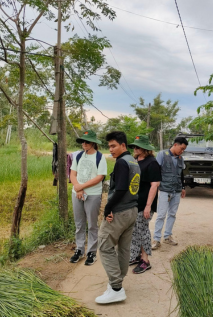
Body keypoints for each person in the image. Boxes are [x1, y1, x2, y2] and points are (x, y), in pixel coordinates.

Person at [95, 131, 141, 304]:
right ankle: (118, 283)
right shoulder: (133, 162)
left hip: (120, 211)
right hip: (132, 210)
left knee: (104, 245)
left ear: (123, 145)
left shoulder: (122, 163)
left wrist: (108, 208)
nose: (111, 150)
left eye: (113, 146)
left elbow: (120, 189)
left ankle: (115, 288)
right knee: (123, 248)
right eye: (109, 146)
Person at [69, 130, 107, 266]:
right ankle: (79, 249)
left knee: (92, 224)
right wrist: (77, 187)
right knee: (79, 224)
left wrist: (82, 187)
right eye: (83, 141)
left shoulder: (99, 157)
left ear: (93, 143)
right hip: (77, 193)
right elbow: (72, 174)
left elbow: (100, 177)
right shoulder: (78, 156)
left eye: (87, 142)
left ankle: (91, 251)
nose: (84, 144)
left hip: (93, 194)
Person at [128, 135, 161, 274]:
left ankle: (145, 260)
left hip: (145, 203)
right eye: (134, 146)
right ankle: (136, 255)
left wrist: (148, 205)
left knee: (143, 231)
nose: (135, 149)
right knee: (135, 230)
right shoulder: (135, 161)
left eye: (137, 147)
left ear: (145, 149)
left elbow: (155, 185)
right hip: (135, 202)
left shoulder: (152, 163)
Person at [152, 136, 188, 250]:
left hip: (176, 191)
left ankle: (167, 236)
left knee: (172, 214)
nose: (181, 151)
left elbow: (181, 174)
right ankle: (156, 239)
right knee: (161, 215)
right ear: (175, 144)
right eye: (181, 148)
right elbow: (156, 170)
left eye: (183, 150)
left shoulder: (180, 158)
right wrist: (155, 184)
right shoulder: (162, 155)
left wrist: (182, 187)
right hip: (164, 190)